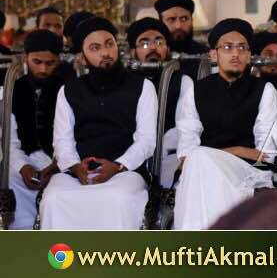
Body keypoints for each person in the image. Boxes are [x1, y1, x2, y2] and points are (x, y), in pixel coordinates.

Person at [39, 17, 158, 229]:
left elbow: (146, 140)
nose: (105, 53)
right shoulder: (69, 91)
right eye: (95, 48)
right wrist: (76, 167)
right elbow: (62, 141)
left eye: (109, 44)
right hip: (78, 172)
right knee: (54, 199)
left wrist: (118, 166)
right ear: (82, 58)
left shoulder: (143, 87)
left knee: (119, 197)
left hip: (126, 171)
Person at [173, 19, 277, 230]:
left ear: (249, 55)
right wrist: (212, 159)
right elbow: (186, 152)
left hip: (248, 170)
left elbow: (267, 154)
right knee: (200, 165)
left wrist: (217, 155)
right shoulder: (196, 91)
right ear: (214, 55)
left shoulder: (264, 90)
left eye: (242, 48)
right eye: (227, 47)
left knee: (201, 159)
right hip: (202, 170)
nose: (235, 54)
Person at [127, 17, 195, 188]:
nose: (152, 48)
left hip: (168, 155)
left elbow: (185, 127)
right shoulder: (124, 82)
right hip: (127, 156)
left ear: (168, 48)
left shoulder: (182, 81)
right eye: (144, 43)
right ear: (133, 51)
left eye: (159, 42)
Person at [6, 30, 65, 229]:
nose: (43, 69)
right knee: (11, 181)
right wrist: (23, 167)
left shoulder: (69, 89)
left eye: (50, 63)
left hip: (60, 161)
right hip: (25, 159)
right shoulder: (13, 89)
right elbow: (10, 141)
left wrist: (57, 165)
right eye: (37, 62)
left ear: (59, 60)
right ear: (26, 57)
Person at [154, 0, 209, 79]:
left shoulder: (205, 54)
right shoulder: (154, 54)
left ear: (192, 20)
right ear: (161, 22)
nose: (178, 26)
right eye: (171, 19)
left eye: (184, 19)